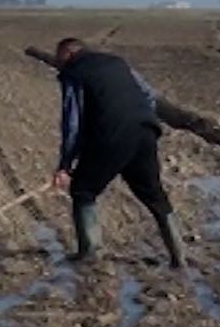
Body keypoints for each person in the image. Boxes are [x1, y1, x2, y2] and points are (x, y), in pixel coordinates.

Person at [50, 38, 186, 267]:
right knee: (154, 195)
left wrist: (65, 164)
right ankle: (179, 256)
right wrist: (138, 118)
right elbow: (149, 95)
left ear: (68, 53)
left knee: (83, 190)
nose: (57, 61)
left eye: (58, 56)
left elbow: (72, 121)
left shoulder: (74, 73)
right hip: (145, 130)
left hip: (111, 135)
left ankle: (90, 253)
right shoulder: (117, 62)